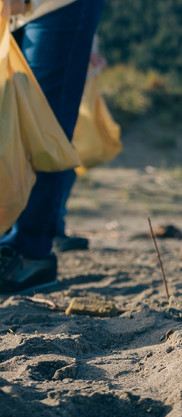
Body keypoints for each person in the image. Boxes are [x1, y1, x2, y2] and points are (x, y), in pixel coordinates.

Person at [0, 0, 104, 295]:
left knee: (46, 123)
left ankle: (30, 254)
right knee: (10, 121)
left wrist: (93, 40)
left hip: (58, 5)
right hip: (12, 9)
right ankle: (8, 242)